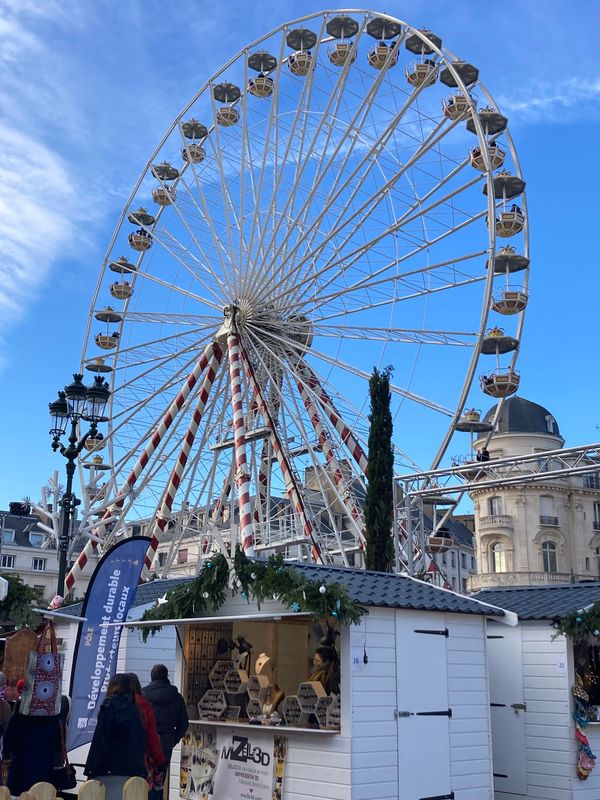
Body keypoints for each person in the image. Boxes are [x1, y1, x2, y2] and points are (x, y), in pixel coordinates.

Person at [84, 673, 146, 800]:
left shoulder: (109, 705)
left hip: (109, 770)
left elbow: (101, 739)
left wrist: (91, 769)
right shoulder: (136, 709)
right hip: (134, 771)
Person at [143, 665, 189, 800]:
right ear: (166, 676)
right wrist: (173, 739)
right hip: (165, 742)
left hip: (145, 742)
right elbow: (184, 723)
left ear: (152, 677)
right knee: (159, 778)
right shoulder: (176, 697)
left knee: (143, 777)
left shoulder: (143, 694)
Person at [3, 706, 62, 794]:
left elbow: (8, 745)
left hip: (19, 772)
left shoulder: (19, 716)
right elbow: (58, 748)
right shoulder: (54, 719)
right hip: (45, 773)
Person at [128, 673, 164, 794]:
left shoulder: (111, 704)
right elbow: (152, 737)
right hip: (142, 760)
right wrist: (160, 760)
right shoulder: (144, 704)